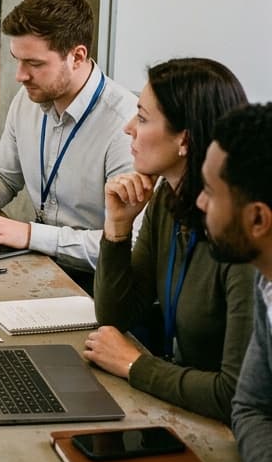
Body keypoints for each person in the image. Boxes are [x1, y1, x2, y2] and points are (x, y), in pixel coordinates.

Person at [84, 58, 252, 423]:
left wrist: (134, 364)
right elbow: (116, 316)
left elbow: (234, 395)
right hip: (183, 408)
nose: (129, 128)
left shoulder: (240, 238)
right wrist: (117, 227)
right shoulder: (168, 198)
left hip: (227, 430)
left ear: (185, 141)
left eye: (142, 118)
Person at [0, 0, 137, 282]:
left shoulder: (125, 126)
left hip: (98, 283)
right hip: (40, 264)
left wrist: (31, 235)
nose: (20, 75)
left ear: (77, 56)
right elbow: (2, 173)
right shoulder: (29, 97)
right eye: (17, 60)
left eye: (34, 64)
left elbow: (129, 247)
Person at [196, 104, 272, 462]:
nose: (200, 204)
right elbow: (250, 407)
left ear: (258, 220)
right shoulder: (267, 284)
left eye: (210, 192)